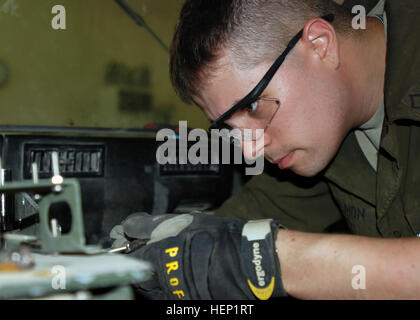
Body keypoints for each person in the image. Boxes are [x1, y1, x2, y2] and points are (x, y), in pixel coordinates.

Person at [111, 0, 420, 299]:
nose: (250, 151)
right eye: (229, 128)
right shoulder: (321, 131)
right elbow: (247, 219)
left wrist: (268, 261)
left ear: (319, 44)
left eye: (254, 105)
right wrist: (166, 247)